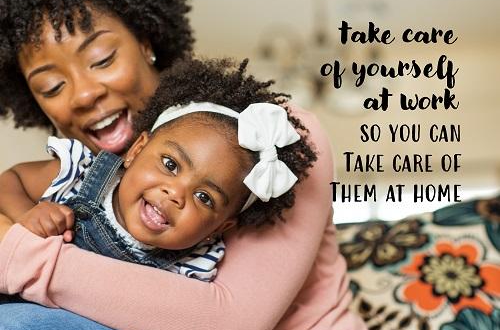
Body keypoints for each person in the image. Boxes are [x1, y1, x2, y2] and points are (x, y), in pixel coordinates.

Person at [0, 0, 390, 330]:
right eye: (51, 87)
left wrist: (19, 254)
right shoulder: (80, 172)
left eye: (102, 59)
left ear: (146, 42)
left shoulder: (267, 141)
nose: (83, 94)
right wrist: (25, 220)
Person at [0, 57, 317, 282]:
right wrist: (26, 213)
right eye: (170, 165)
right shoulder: (82, 172)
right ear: (137, 150)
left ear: (219, 227)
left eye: (204, 198)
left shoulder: (195, 266)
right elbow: (10, 180)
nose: (176, 193)